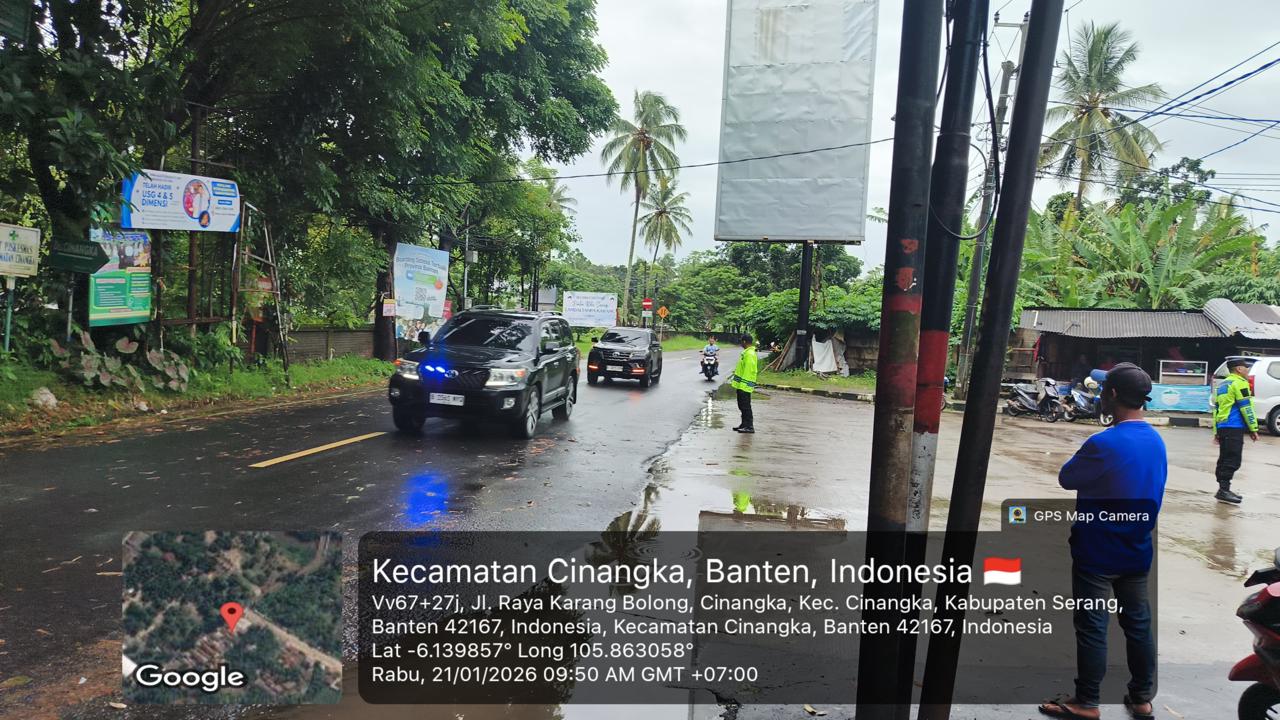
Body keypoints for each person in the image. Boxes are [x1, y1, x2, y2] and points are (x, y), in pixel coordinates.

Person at [1040, 363, 1165, 720]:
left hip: (1097, 552)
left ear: (1111, 394)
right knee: (1138, 625)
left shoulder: (1104, 442)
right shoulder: (1155, 441)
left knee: (1093, 626)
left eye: (1103, 390)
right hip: (1138, 549)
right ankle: (1141, 698)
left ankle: (1087, 701)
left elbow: (1067, 478)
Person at [1213, 357, 1259, 505]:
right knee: (1232, 459)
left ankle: (1224, 489)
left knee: (1224, 458)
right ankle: (1223, 490)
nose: (1247, 371)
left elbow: (1216, 409)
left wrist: (1216, 430)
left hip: (1223, 426)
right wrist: (1253, 428)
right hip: (1234, 426)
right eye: (1246, 368)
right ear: (1239, 369)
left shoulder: (1223, 384)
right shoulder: (1240, 383)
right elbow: (1246, 407)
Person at [729, 333, 758, 433]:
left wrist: (743, 385)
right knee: (742, 405)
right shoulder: (746, 353)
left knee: (745, 406)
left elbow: (748, 371)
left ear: (744, 342)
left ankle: (749, 426)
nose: (741, 343)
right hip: (742, 385)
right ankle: (744, 424)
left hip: (745, 385)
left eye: (741, 341)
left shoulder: (749, 354)